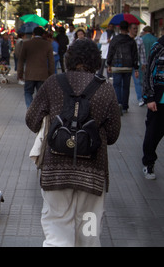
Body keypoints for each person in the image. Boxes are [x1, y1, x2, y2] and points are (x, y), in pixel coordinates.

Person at [26, 38, 121, 247]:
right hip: (92, 172)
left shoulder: (53, 83)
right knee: (88, 233)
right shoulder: (106, 89)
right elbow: (113, 135)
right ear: (96, 60)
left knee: (57, 230)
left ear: (69, 59)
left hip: (55, 170)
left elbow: (31, 120)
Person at [141, 35, 164, 179]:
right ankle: (148, 164)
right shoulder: (159, 46)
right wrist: (149, 97)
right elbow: (149, 71)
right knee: (153, 134)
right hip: (159, 99)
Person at [17, 26, 55, 108]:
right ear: (43, 34)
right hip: (43, 75)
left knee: (28, 92)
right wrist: (51, 74)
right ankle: (38, 111)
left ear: (33, 34)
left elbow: (21, 60)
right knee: (41, 94)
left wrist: (19, 74)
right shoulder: (48, 45)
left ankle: (30, 108)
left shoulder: (26, 44)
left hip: (29, 74)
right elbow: (52, 62)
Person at [107, 20, 139, 114]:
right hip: (128, 67)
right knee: (126, 87)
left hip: (116, 66)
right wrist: (136, 68)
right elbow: (135, 55)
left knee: (117, 85)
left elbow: (111, 52)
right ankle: (125, 106)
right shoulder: (131, 40)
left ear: (119, 28)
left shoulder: (115, 39)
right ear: (128, 29)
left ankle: (118, 104)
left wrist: (109, 64)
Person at [129, 23, 147, 106]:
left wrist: (144, 63)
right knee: (124, 83)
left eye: (136, 28)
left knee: (138, 82)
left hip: (136, 64)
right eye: (134, 28)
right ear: (129, 29)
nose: (135, 30)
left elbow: (142, 53)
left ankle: (140, 99)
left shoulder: (139, 40)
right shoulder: (126, 39)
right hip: (126, 64)